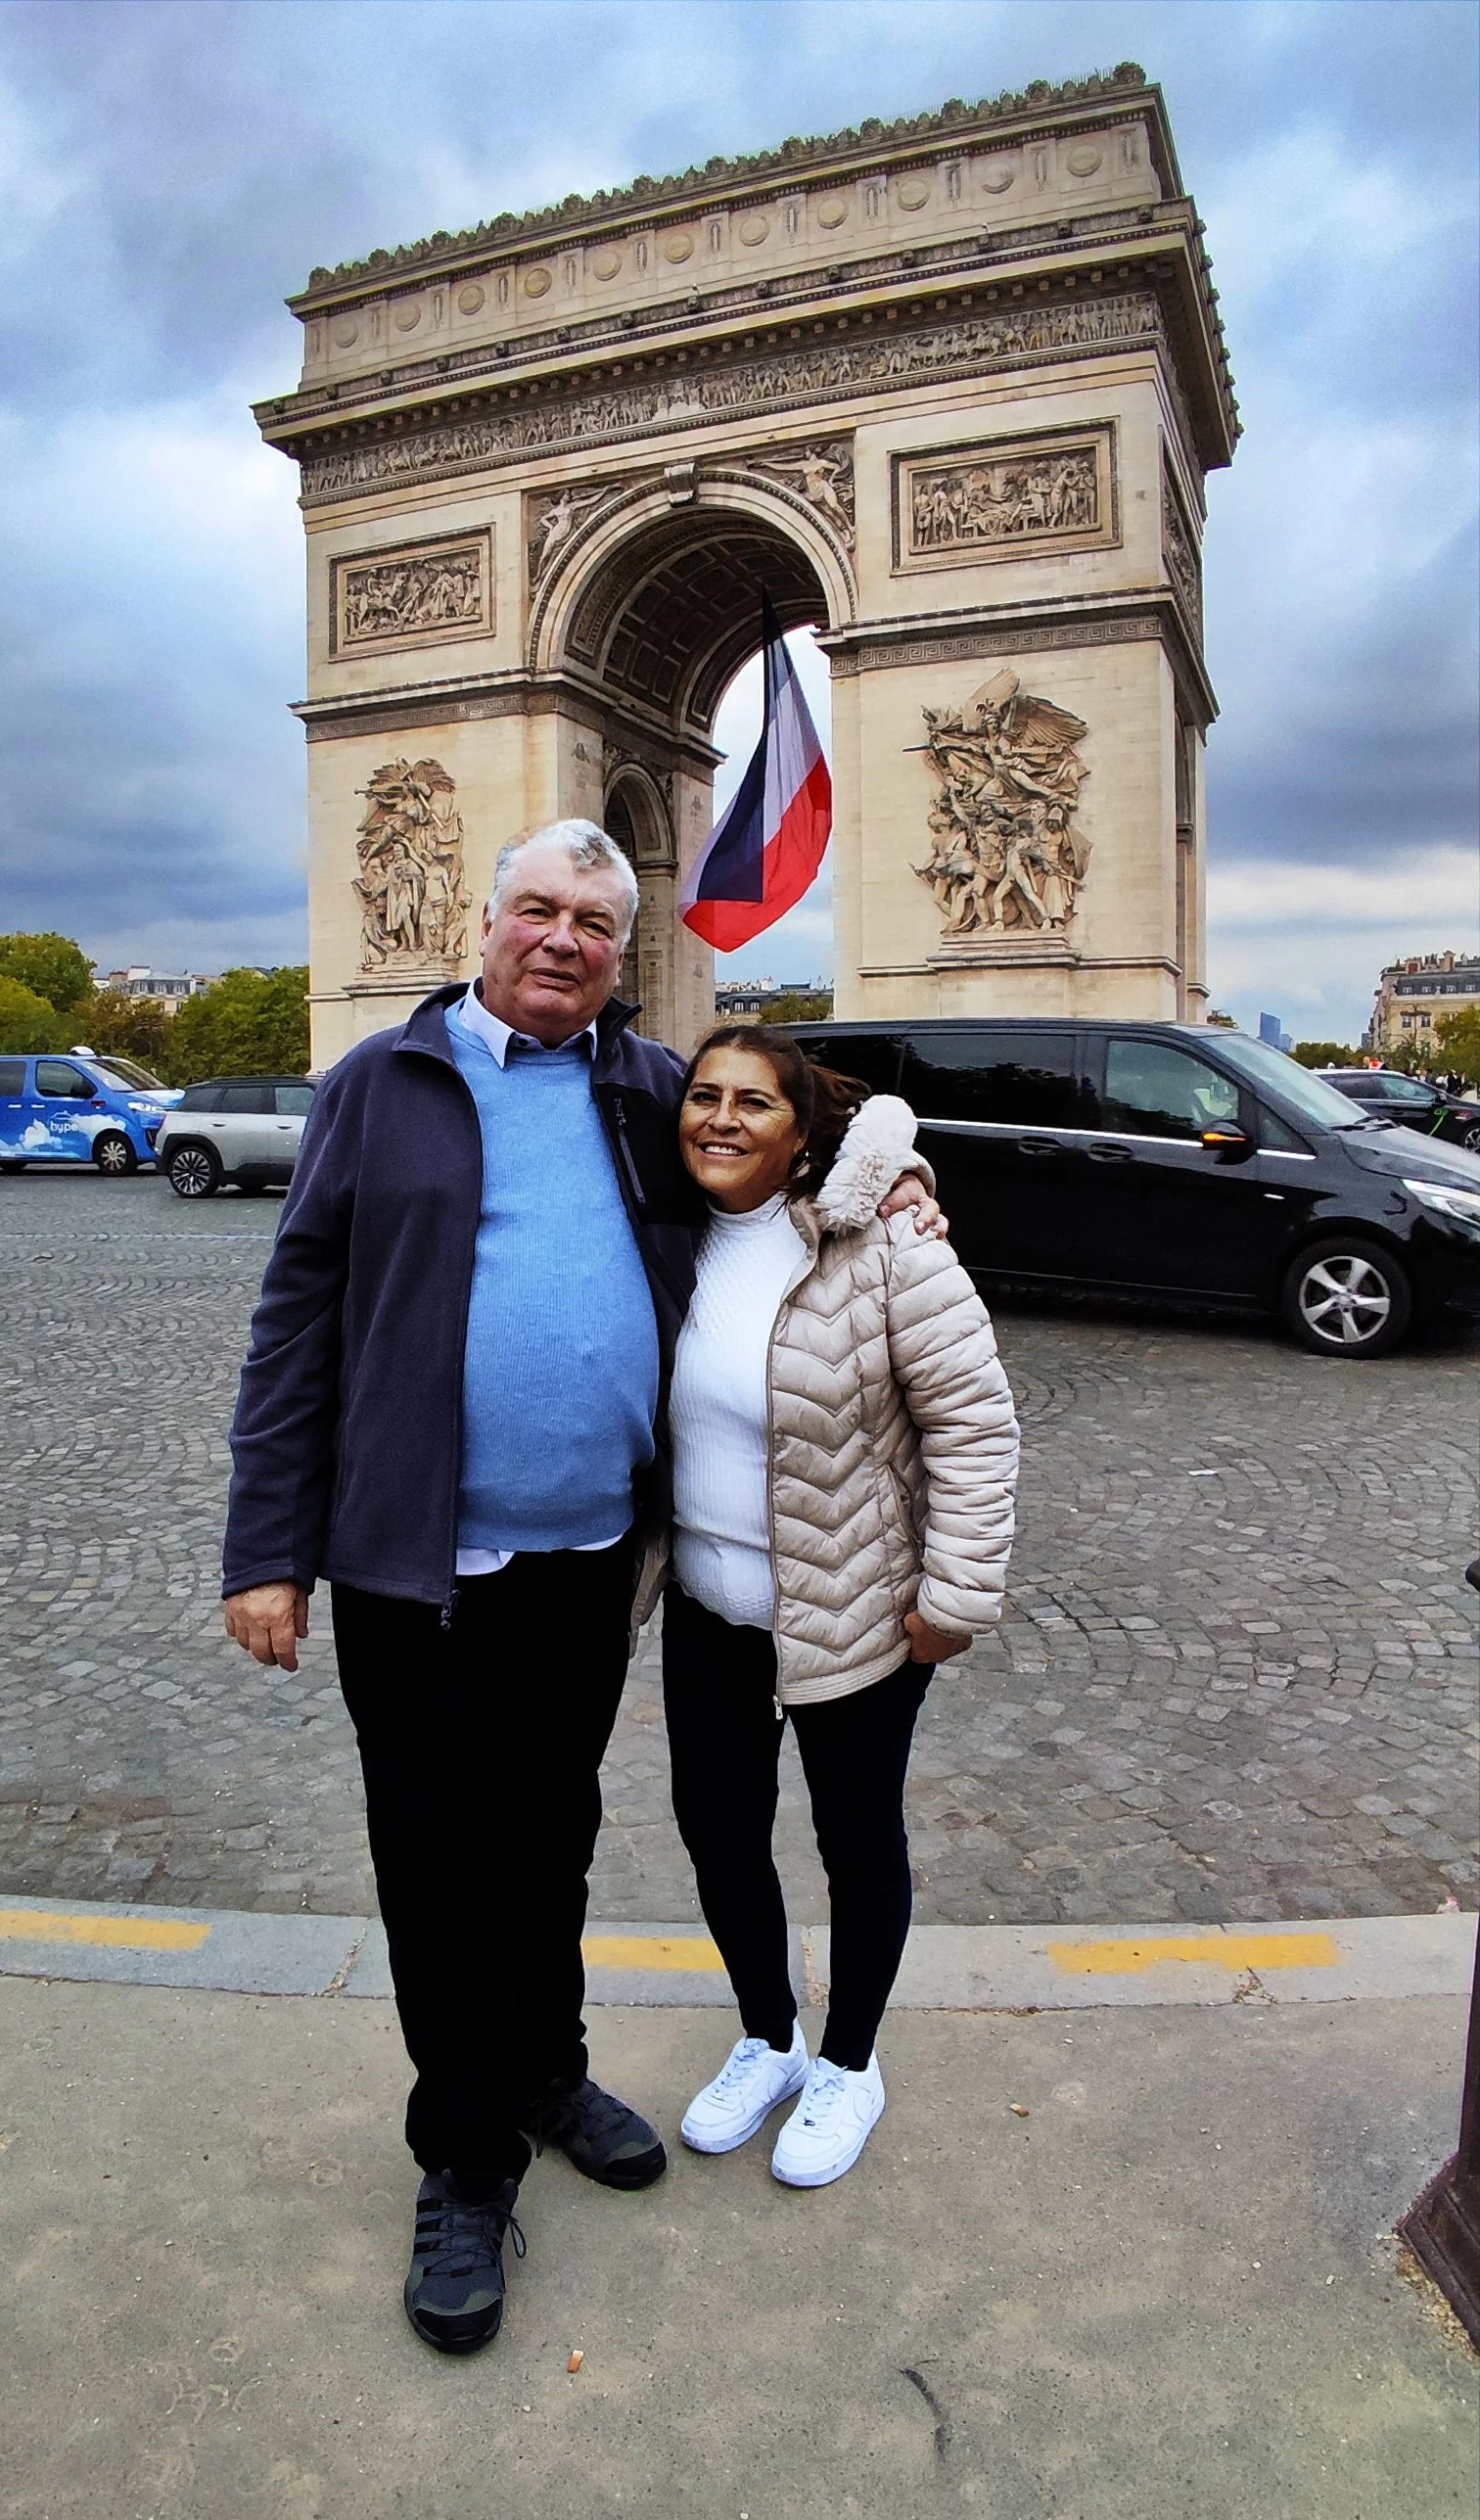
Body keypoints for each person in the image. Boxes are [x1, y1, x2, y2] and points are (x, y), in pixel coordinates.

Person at [218, 822, 941, 2356]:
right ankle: (467, 2159)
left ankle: (550, 2068)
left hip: (589, 1560)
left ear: (625, 949)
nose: (563, 939)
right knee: (437, 1863)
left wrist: (901, 1186)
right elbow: (296, 1324)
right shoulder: (376, 1086)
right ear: (482, 920)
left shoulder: (642, 1087)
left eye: (596, 923)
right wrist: (263, 1548)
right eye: (537, 909)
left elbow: (781, 1165)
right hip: (411, 1562)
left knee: (555, 1834)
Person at [663, 1027, 1020, 2187]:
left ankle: (848, 2064)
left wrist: (952, 1596)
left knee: (854, 1842)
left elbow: (972, 1424)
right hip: (705, 1607)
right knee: (718, 1836)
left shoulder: (885, 1248)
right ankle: (767, 2036)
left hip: (858, 1607)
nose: (720, 1119)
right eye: (702, 1096)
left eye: (753, 1104)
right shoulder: (656, 1237)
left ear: (802, 1129)